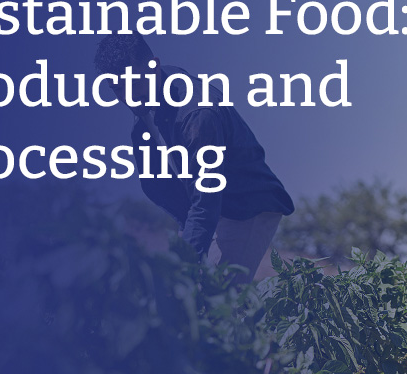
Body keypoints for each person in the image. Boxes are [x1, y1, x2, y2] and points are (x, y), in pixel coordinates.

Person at [94, 33, 294, 284]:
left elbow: (206, 200)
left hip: (246, 206)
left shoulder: (198, 114)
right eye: (118, 89)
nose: (128, 96)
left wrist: (185, 262)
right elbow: (168, 189)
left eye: (134, 83)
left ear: (154, 66)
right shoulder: (145, 108)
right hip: (208, 206)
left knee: (213, 296)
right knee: (183, 287)